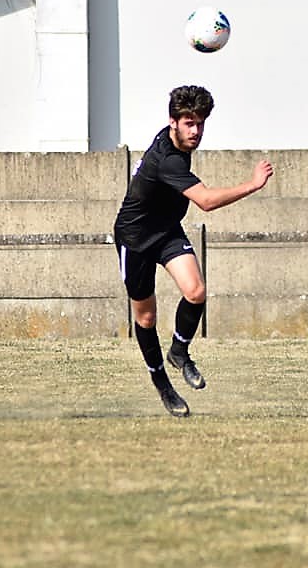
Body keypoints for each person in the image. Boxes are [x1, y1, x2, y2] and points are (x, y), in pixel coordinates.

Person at [113, 85, 273, 417]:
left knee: (196, 291)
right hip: (136, 238)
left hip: (167, 230)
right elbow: (206, 201)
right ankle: (163, 386)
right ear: (172, 122)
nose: (195, 131)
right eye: (189, 122)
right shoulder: (168, 160)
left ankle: (179, 352)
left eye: (200, 123)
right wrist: (253, 184)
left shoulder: (175, 141)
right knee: (146, 317)